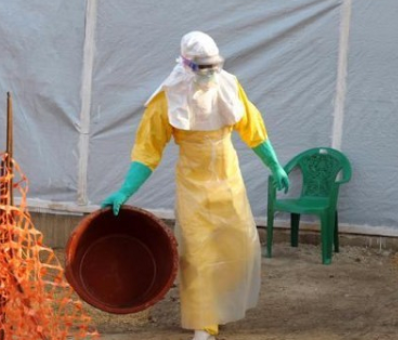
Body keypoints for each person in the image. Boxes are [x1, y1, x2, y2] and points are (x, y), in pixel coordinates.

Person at [102, 31, 289, 340]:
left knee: (238, 247)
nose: (211, 72)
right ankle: (203, 324)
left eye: (215, 65)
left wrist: (275, 165)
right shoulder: (167, 99)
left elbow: (253, 129)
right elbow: (148, 150)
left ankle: (220, 307)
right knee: (199, 254)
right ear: (187, 65)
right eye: (204, 67)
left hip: (229, 183)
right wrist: (125, 190)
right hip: (193, 187)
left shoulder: (230, 86)